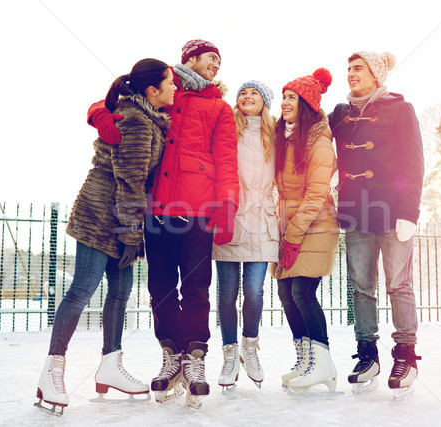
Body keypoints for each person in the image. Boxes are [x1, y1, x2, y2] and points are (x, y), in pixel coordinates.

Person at [87, 40, 239, 408]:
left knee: (196, 287)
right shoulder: (164, 89)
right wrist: (100, 115)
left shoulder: (219, 107)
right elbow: (115, 96)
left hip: (198, 207)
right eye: (210, 58)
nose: (216, 65)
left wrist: (228, 208)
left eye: (220, 61)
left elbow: (227, 159)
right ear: (190, 59)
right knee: (160, 287)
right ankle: (171, 355)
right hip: (156, 208)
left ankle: (195, 358)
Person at [35, 58, 176, 415]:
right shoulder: (138, 121)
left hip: (121, 215)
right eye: (169, 83)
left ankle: (110, 363)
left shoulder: (150, 117)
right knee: (83, 288)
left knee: (120, 292)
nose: (174, 88)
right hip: (101, 212)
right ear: (152, 90)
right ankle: (51, 370)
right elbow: (130, 180)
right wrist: (132, 232)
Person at [328, 51, 424, 400]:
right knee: (361, 287)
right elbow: (312, 138)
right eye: (348, 68)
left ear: (376, 74)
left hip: (393, 209)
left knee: (398, 284)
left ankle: (406, 356)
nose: (351, 73)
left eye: (358, 68)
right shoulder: (340, 114)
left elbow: (414, 162)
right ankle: (368, 354)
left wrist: (409, 212)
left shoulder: (400, 109)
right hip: (355, 211)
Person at [271, 68, 340, 394]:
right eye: (283, 97)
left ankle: (323, 364)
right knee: (286, 293)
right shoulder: (284, 138)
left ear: (307, 104)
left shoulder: (319, 142)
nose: (285, 103)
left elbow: (314, 196)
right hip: (292, 227)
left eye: (292, 98)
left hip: (315, 225)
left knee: (302, 292)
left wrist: (293, 236)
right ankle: (305, 359)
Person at [213, 80, 278, 392]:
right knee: (227, 294)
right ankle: (228, 353)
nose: (247, 96)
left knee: (253, 292)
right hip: (231, 217)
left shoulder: (276, 134)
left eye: (255, 93)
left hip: (264, 219)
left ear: (265, 102)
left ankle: (249, 347)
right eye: (243, 92)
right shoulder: (226, 128)